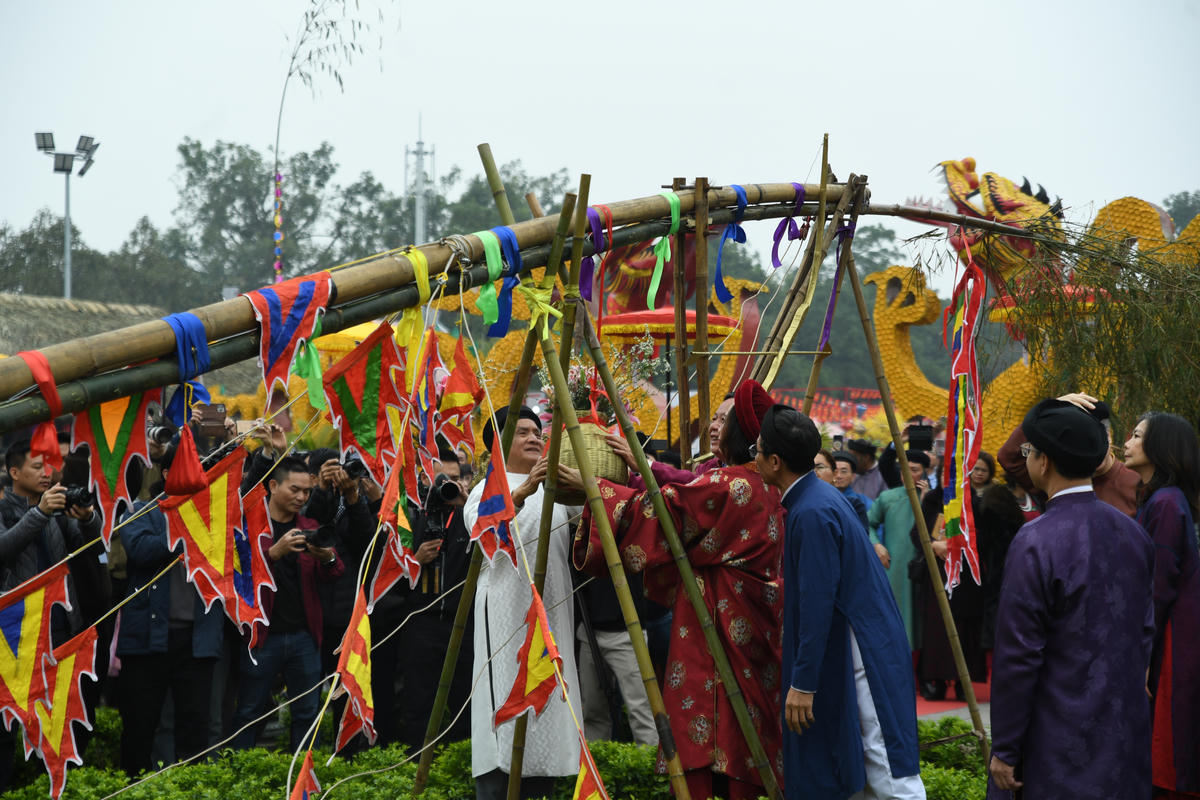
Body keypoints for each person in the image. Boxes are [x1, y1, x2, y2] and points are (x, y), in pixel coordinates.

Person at [569, 379, 785, 800]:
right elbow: (684, 489)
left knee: (708, 735)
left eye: (725, 421)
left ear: (743, 434)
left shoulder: (730, 484)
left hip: (718, 623)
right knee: (743, 740)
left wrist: (594, 491)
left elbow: (667, 509)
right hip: (747, 625)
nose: (715, 428)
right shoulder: (762, 483)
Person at [987, 399, 1155, 798]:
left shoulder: (1035, 540)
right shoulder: (1134, 533)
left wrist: (1006, 748)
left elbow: (1019, 655)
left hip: (1056, 737)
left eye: (1029, 452)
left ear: (1043, 463)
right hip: (1122, 731)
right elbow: (1144, 633)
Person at [755, 405, 924, 800]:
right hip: (858, 643)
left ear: (776, 462)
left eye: (758, 449)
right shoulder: (818, 498)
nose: (755, 456)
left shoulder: (812, 512)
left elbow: (816, 602)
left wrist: (803, 682)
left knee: (886, 768)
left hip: (862, 651)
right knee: (859, 767)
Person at [464, 406, 582, 800]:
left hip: (550, 616)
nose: (534, 438)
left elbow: (595, 516)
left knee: (547, 713)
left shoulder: (558, 489)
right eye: (523, 432)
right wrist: (525, 489)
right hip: (505, 619)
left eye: (538, 431)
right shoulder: (486, 489)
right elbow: (483, 530)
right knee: (505, 713)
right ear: (497, 444)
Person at [115, 444, 224, 775]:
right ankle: (136, 787)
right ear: (166, 474)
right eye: (191, 469)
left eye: (202, 470)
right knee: (141, 725)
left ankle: (190, 789)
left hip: (197, 638)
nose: (199, 477)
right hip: (149, 637)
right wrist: (183, 522)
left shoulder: (215, 512)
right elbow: (141, 549)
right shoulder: (139, 510)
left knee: (195, 727)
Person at [231, 456, 344, 752]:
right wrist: (273, 553)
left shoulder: (309, 525)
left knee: (307, 714)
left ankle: (304, 782)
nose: (302, 497)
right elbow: (236, 574)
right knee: (249, 712)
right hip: (261, 637)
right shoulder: (251, 526)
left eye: (307, 491)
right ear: (273, 486)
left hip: (304, 637)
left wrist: (327, 557)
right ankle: (240, 777)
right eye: (295, 489)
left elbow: (335, 572)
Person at [1123, 412, 1200, 798]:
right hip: (1171, 637)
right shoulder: (1165, 499)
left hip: (1172, 644)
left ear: (1159, 448)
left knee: (1168, 758)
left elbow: (1157, 589)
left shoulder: (1167, 504)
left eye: (1136, 436)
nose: (1127, 442)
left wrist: (1142, 662)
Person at [397, 447, 476, 751]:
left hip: (461, 621)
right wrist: (415, 560)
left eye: (454, 480)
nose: (447, 487)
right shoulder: (408, 514)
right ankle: (417, 765)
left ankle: (459, 768)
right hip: (420, 622)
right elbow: (387, 578)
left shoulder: (469, 515)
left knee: (464, 703)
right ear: (422, 479)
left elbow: (495, 538)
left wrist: (467, 502)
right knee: (418, 701)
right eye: (440, 480)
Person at [997, 392, 1139, 515]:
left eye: (1092, 440)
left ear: (1108, 435)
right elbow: (1009, 458)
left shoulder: (1136, 482)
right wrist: (1051, 408)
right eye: (1079, 443)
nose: (1089, 448)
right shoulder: (1057, 479)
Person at [866, 450, 931, 649]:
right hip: (895, 567)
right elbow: (867, 524)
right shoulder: (888, 497)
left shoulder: (933, 498)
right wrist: (876, 544)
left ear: (925, 473)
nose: (908, 474)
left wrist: (925, 500)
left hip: (926, 569)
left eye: (915, 470)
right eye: (904, 469)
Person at [831, 452, 871, 529]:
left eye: (844, 471)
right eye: (835, 472)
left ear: (853, 476)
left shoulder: (863, 502)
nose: (839, 476)